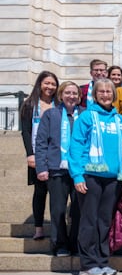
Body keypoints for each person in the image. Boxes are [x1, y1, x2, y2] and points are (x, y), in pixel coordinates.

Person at [69, 78, 122, 275]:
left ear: (114, 95)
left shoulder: (120, 120)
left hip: (114, 178)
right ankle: (88, 264)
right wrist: (77, 176)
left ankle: (102, 260)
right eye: (101, 92)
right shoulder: (86, 117)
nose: (105, 95)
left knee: (105, 221)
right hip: (90, 176)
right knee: (89, 220)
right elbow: (76, 147)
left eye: (109, 91)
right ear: (95, 95)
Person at [35, 81, 82, 256]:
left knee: (78, 209)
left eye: (75, 93)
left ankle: (76, 243)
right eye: (68, 93)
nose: (71, 96)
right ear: (61, 95)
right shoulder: (51, 114)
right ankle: (60, 244)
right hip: (57, 168)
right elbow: (41, 142)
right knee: (58, 209)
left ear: (79, 97)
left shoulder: (84, 115)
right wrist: (41, 167)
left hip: (79, 170)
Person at [21, 71, 59, 241]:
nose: (50, 87)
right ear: (39, 84)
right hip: (37, 153)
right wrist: (30, 154)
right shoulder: (30, 104)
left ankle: (58, 228)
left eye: (53, 84)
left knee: (56, 193)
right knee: (40, 192)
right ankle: (38, 227)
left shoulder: (58, 104)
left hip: (56, 154)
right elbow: (26, 131)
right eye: (47, 83)